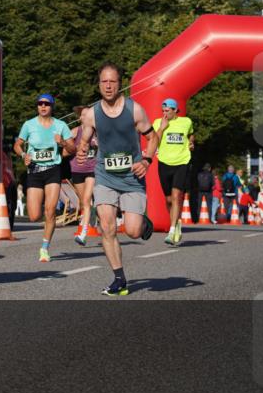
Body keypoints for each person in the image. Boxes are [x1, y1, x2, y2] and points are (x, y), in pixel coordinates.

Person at [75, 63, 155, 297]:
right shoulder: (91, 114)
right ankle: (119, 279)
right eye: (104, 82)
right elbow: (85, 140)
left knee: (132, 231)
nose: (108, 86)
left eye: (112, 82)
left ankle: (142, 222)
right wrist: (81, 149)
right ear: (98, 84)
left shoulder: (135, 110)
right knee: (107, 227)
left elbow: (153, 137)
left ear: (121, 84)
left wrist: (147, 160)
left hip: (132, 177)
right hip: (105, 176)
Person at [14, 94, 74, 262]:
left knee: (50, 211)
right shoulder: (29, 125)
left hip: (53, 170)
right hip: (34, 171)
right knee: (34, 215)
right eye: (40, 103)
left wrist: (62, 142)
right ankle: (44, 229)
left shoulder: (61, 125)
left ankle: (45, 248)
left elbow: (73, 148)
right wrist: (24, 154)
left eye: (46, 104)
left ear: (52, 106)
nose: (43, 106)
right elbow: (17, 144)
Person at [151, 98, 194, 246]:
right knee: (168, 200)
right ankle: (176, 223)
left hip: (182, 162)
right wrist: (162, 128)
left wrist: (191, 142)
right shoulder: (158, 122)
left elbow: (190, 134)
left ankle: (171, 230)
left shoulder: (186, 122)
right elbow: (154, 141)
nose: (164, 113)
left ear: (175, 110)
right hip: (164, 162)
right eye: (163, 111)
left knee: (176, 196)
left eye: (167, 111)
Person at [69, 105, 98, 246]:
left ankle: (83, 233)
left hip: (92, 170)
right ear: (80, 118)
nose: (86, 117)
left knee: (86, 200)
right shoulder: (75, 132)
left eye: (89, 115)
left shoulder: (97, 133)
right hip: (77, 170)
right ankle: (91, 211)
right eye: (83, 115)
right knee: (83, 202)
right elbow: (65, 149)